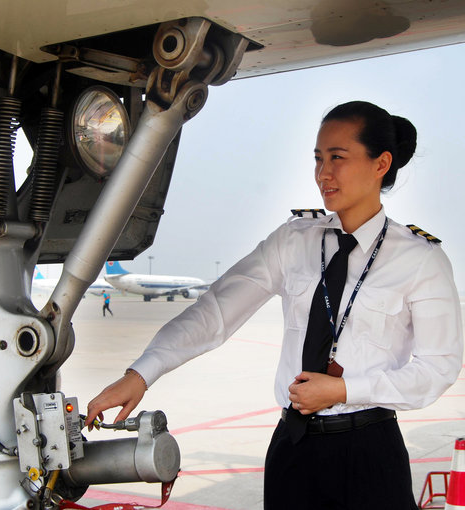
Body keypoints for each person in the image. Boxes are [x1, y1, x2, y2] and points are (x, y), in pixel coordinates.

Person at [85, 101, 463, 509]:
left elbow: (437, 367)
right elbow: (215, 310)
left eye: (338, 158)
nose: (323, 173)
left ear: (381, 163)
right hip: (293, 447)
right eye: (318, 158)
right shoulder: (294, 240)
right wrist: (141, 373)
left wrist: (345, 390)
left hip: (368, 451)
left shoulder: (420, 259)